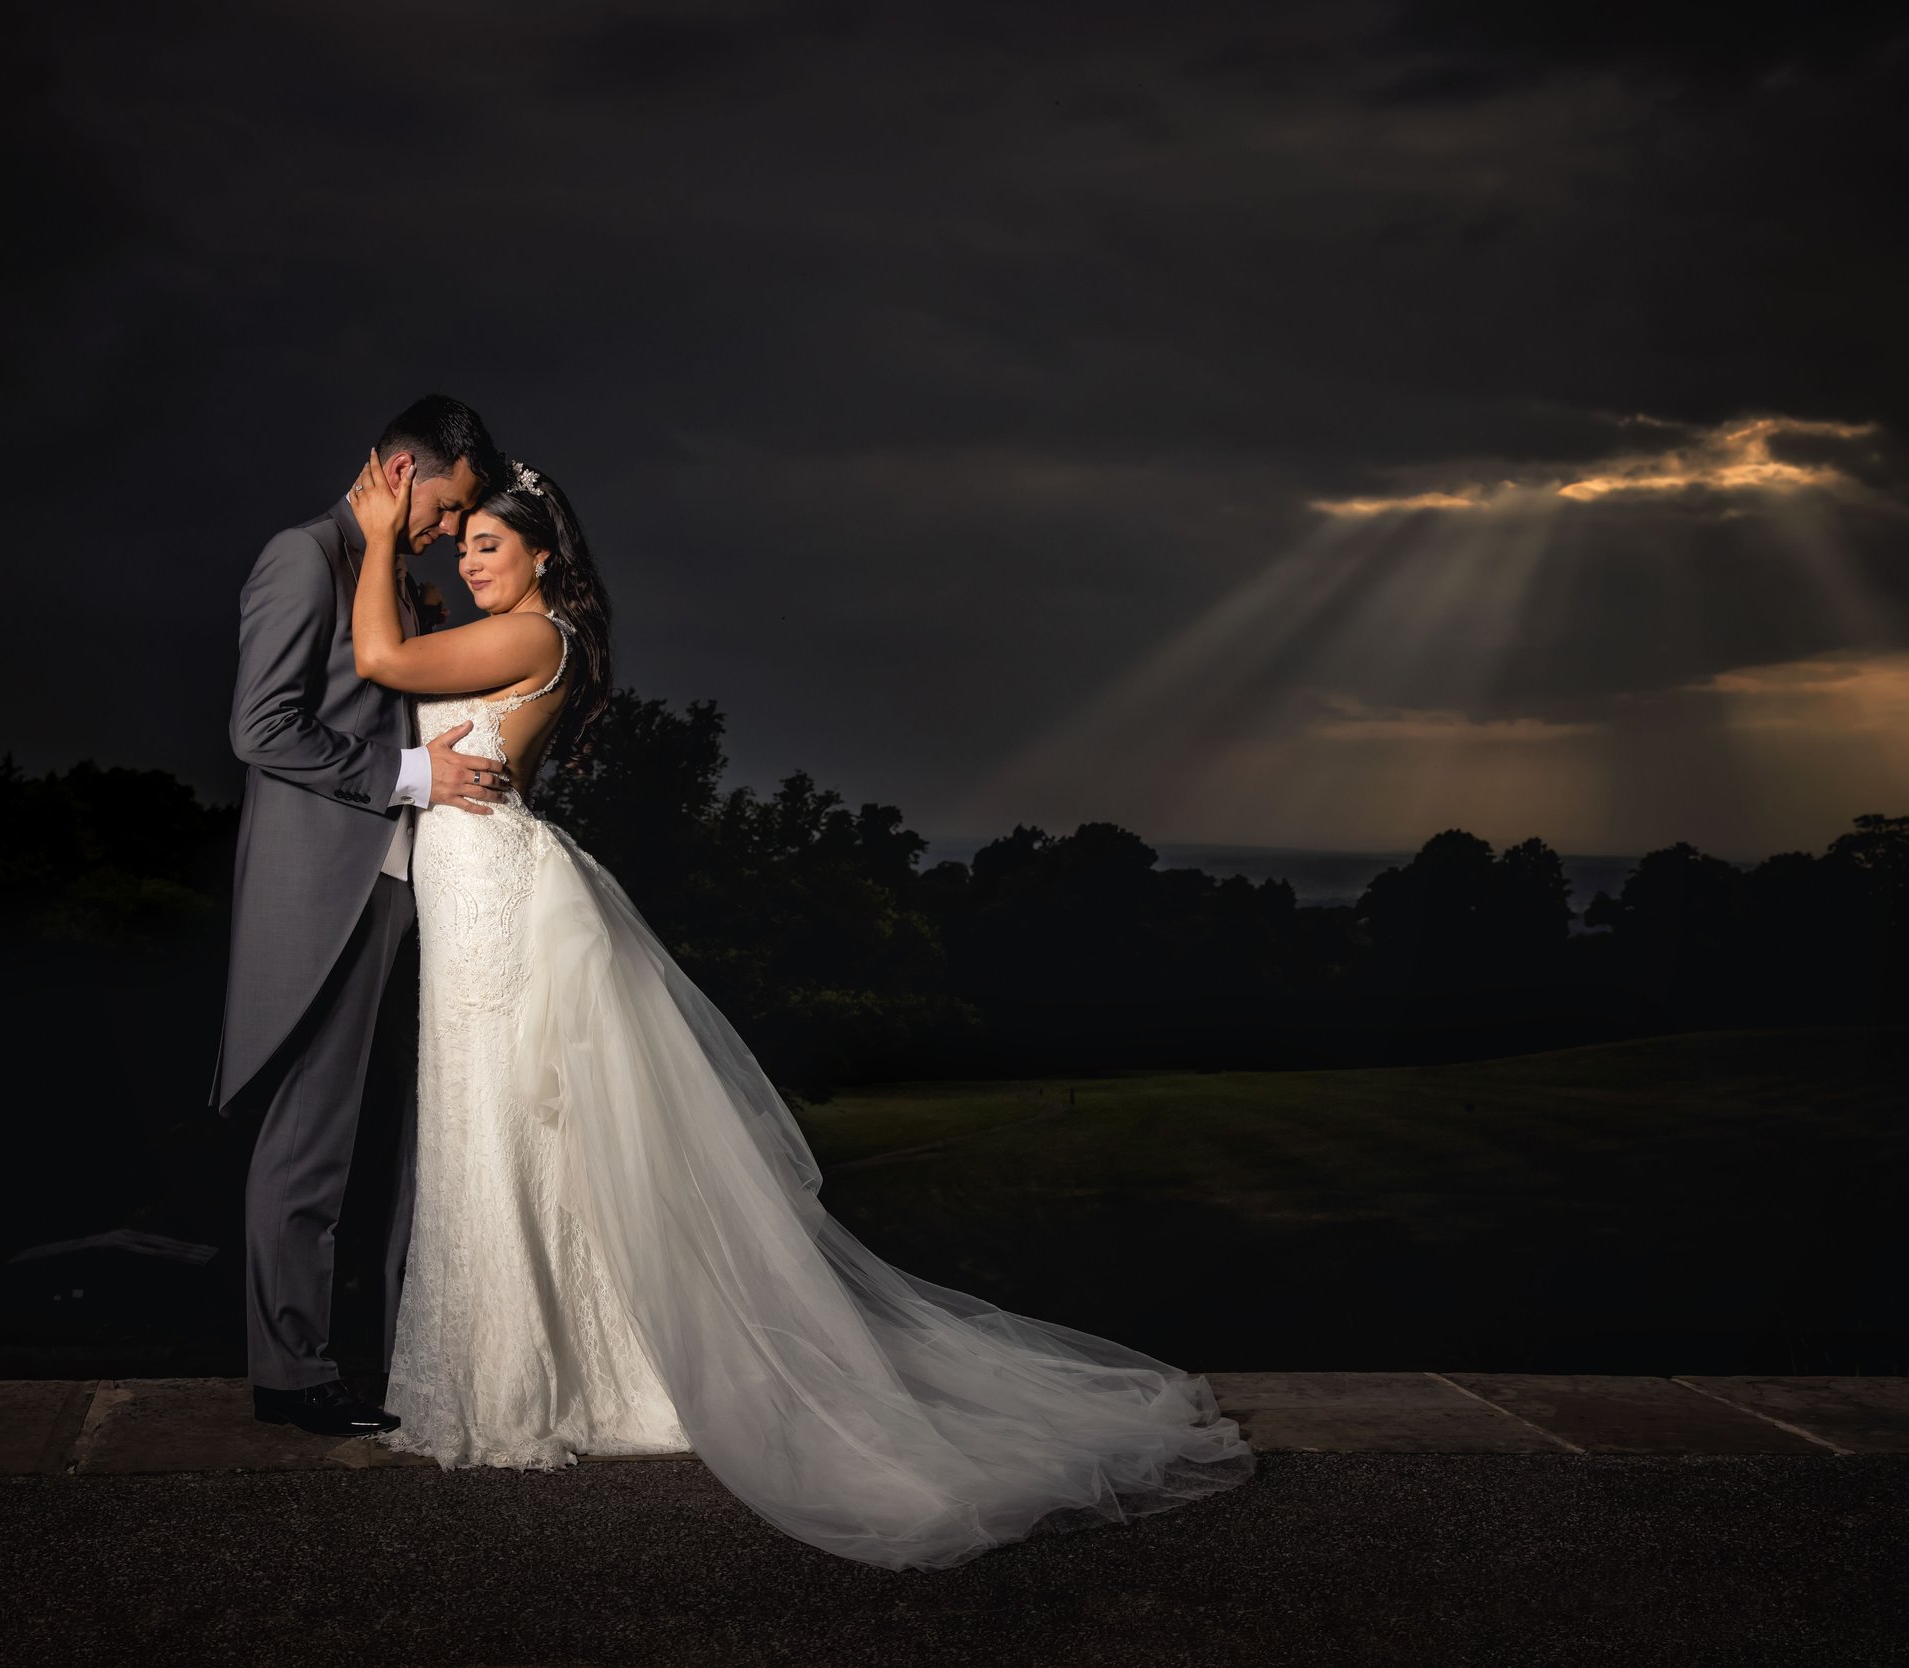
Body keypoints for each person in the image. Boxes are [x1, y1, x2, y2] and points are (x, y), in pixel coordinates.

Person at [341, 450, 1254, 1571]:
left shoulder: (538, 637)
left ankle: (531, 1384)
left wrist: (384, 529)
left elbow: (381, 655)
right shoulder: (505, 629)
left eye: (490, 546)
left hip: (492, 894)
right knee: (496, 1125)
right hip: (470, 883)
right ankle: (545, 1367)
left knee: (503, 1122)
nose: (470, 561)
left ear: (543, 557)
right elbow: (410, 673)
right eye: (464, 543)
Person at [214, 396, 518, 1438]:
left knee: (395, 1138)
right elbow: (260, 730)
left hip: (409, 891)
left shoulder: (397, 573)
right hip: (329, 892)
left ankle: (395, 1363)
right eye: (446, 505)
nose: (446, 530)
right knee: (308, 1140)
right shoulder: (304, 557)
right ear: (399, 471)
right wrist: (410, 776)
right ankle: (290, 1375)